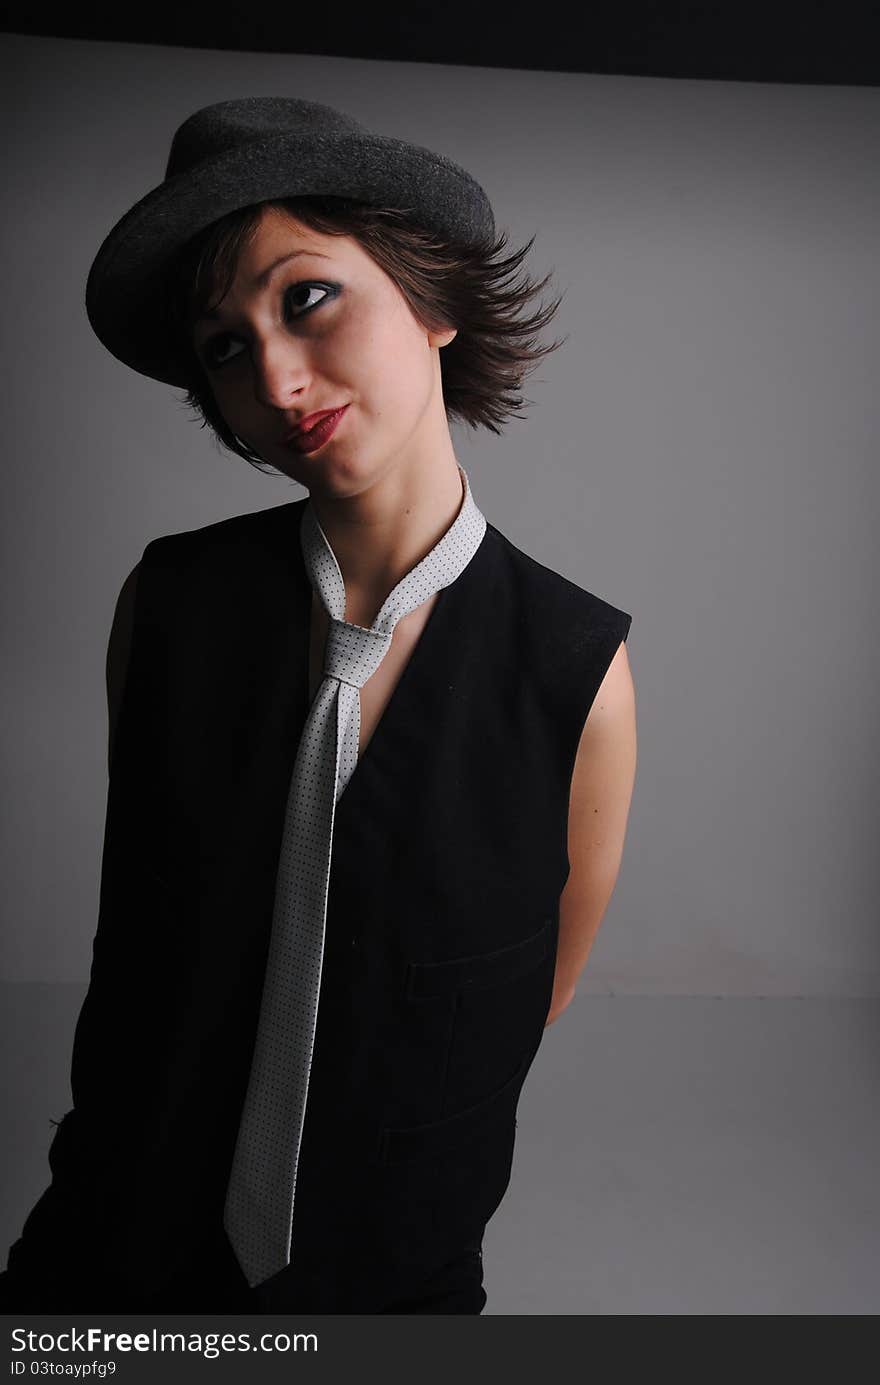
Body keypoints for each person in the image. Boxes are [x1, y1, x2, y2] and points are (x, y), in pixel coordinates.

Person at [0, 96, 637, 1314]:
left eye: (305, 298)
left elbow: (524, 995)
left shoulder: (573, 666)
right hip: (109, 1238)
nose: (276, 378)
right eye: (226, 347)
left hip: (393, 1265)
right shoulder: (170, 604)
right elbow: (149, 929)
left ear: (433, 296)